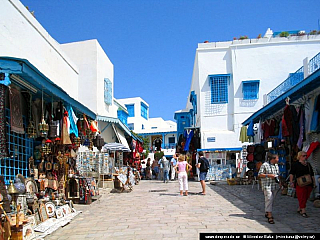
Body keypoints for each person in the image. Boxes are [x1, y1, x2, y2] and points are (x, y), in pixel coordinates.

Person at [289, 151, 316, 218]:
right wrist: (291, 182)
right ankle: (303, 210)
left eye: (305, 156)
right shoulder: (296, 164)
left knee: (306, 196)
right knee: (301, 196)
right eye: (303, 156)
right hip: (300, 183)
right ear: (299, 156)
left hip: (309, 182)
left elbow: (312, 174)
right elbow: (292, 173)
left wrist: (314, 182)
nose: (305, 157)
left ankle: (300, 207)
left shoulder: (308, 164)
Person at [258, 154, 280, 224]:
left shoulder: (276, 165)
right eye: (277, 158)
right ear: (273, 159)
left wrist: (280, 182)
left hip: (274, 185)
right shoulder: (264, 165)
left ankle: (267, 211)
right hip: (267, 185)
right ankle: (269, 215)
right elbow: (260, 174)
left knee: (271, 200)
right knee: (269, 198)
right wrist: (268, 175)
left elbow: (278, 174)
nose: (278, 160)